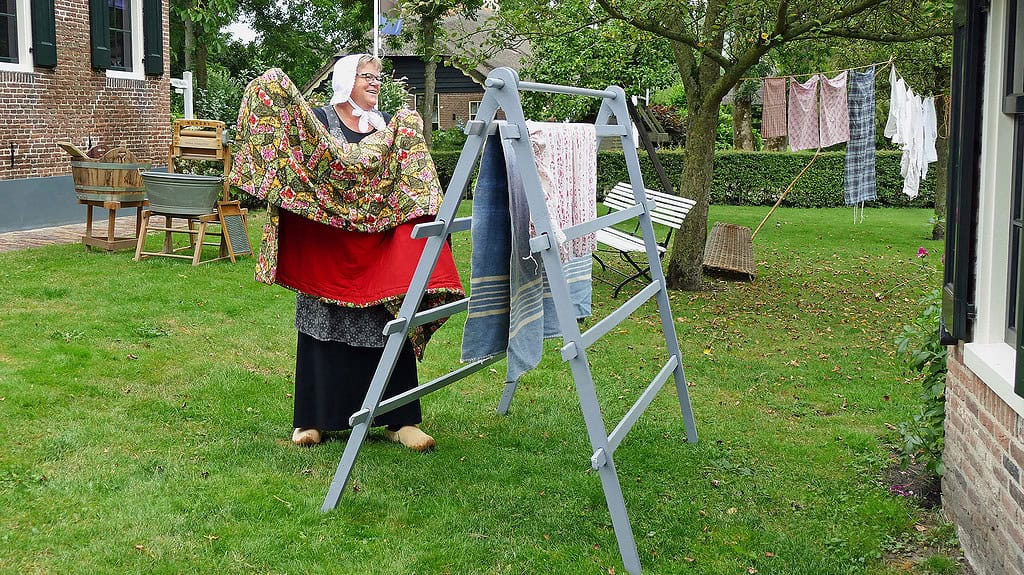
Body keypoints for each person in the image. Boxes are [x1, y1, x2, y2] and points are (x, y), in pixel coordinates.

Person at [288, 54, 435, 451]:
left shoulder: (388, 127)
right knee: (323, 324)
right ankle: (313, 418)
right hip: (329, 245)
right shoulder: (319, 121)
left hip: (376, 248)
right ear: (345, 79)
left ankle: (400, 419)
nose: (375, 83)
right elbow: (303, 169)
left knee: (388, 321)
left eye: (378, 77)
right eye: (367, 76)